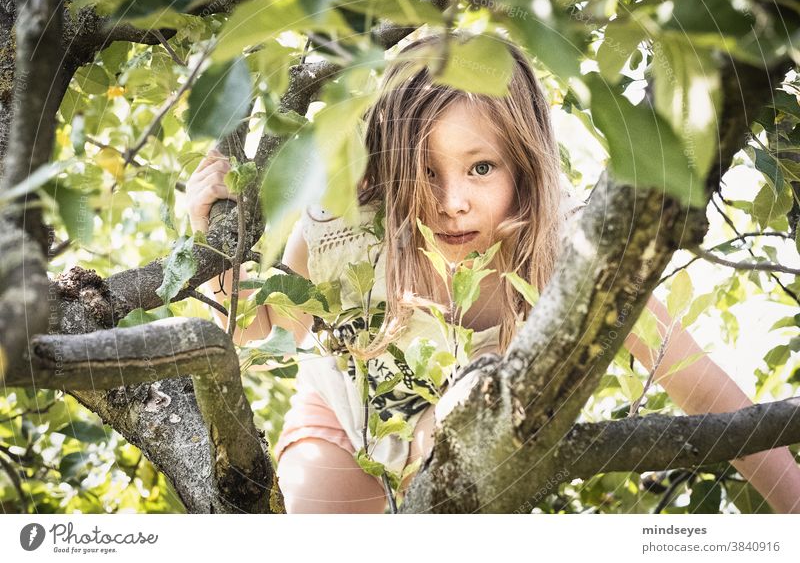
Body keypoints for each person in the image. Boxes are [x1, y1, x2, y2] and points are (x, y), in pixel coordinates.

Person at [186, 31, 800, 514]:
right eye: (426, 171)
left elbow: (702, 388)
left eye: (481, 168)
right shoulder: (345, 226)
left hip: (470, 445)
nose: (453, 201)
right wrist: (209, 235)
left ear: (525, 167)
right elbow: (258, 325)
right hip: (344, 422)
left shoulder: (576, 255)